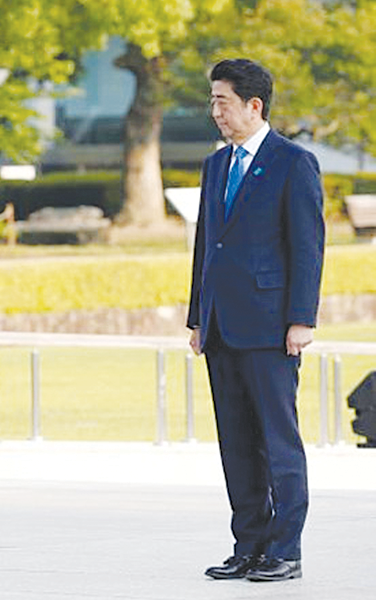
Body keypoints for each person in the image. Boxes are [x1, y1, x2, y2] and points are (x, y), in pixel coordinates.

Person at [188, 58, 324, 582]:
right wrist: (198, 316)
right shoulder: (215, 165)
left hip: (272, 328)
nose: (214, 111)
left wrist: (301, 319)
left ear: (254, 105)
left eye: (221, 100)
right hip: (220, 327)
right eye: (212, 100)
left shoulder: (294, 162)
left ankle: (284, 549)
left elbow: (307, 247)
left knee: (277, 440)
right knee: (237, 441)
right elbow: (207, 247)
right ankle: (249, 545)